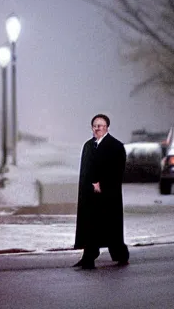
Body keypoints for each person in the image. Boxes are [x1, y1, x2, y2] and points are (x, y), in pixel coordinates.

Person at [73, 113, 129, 269]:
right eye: (95, 126)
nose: (98, 128)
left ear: (107, 128)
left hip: (108, 194)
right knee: (91, 224)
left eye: (101, 126)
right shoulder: (88, 146)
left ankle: (120, 254)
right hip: (90, 194)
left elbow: (118, 170)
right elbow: (85, 170)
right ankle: (89, 255)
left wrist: (101, 183)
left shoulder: (116, 146)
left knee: (110, 225)